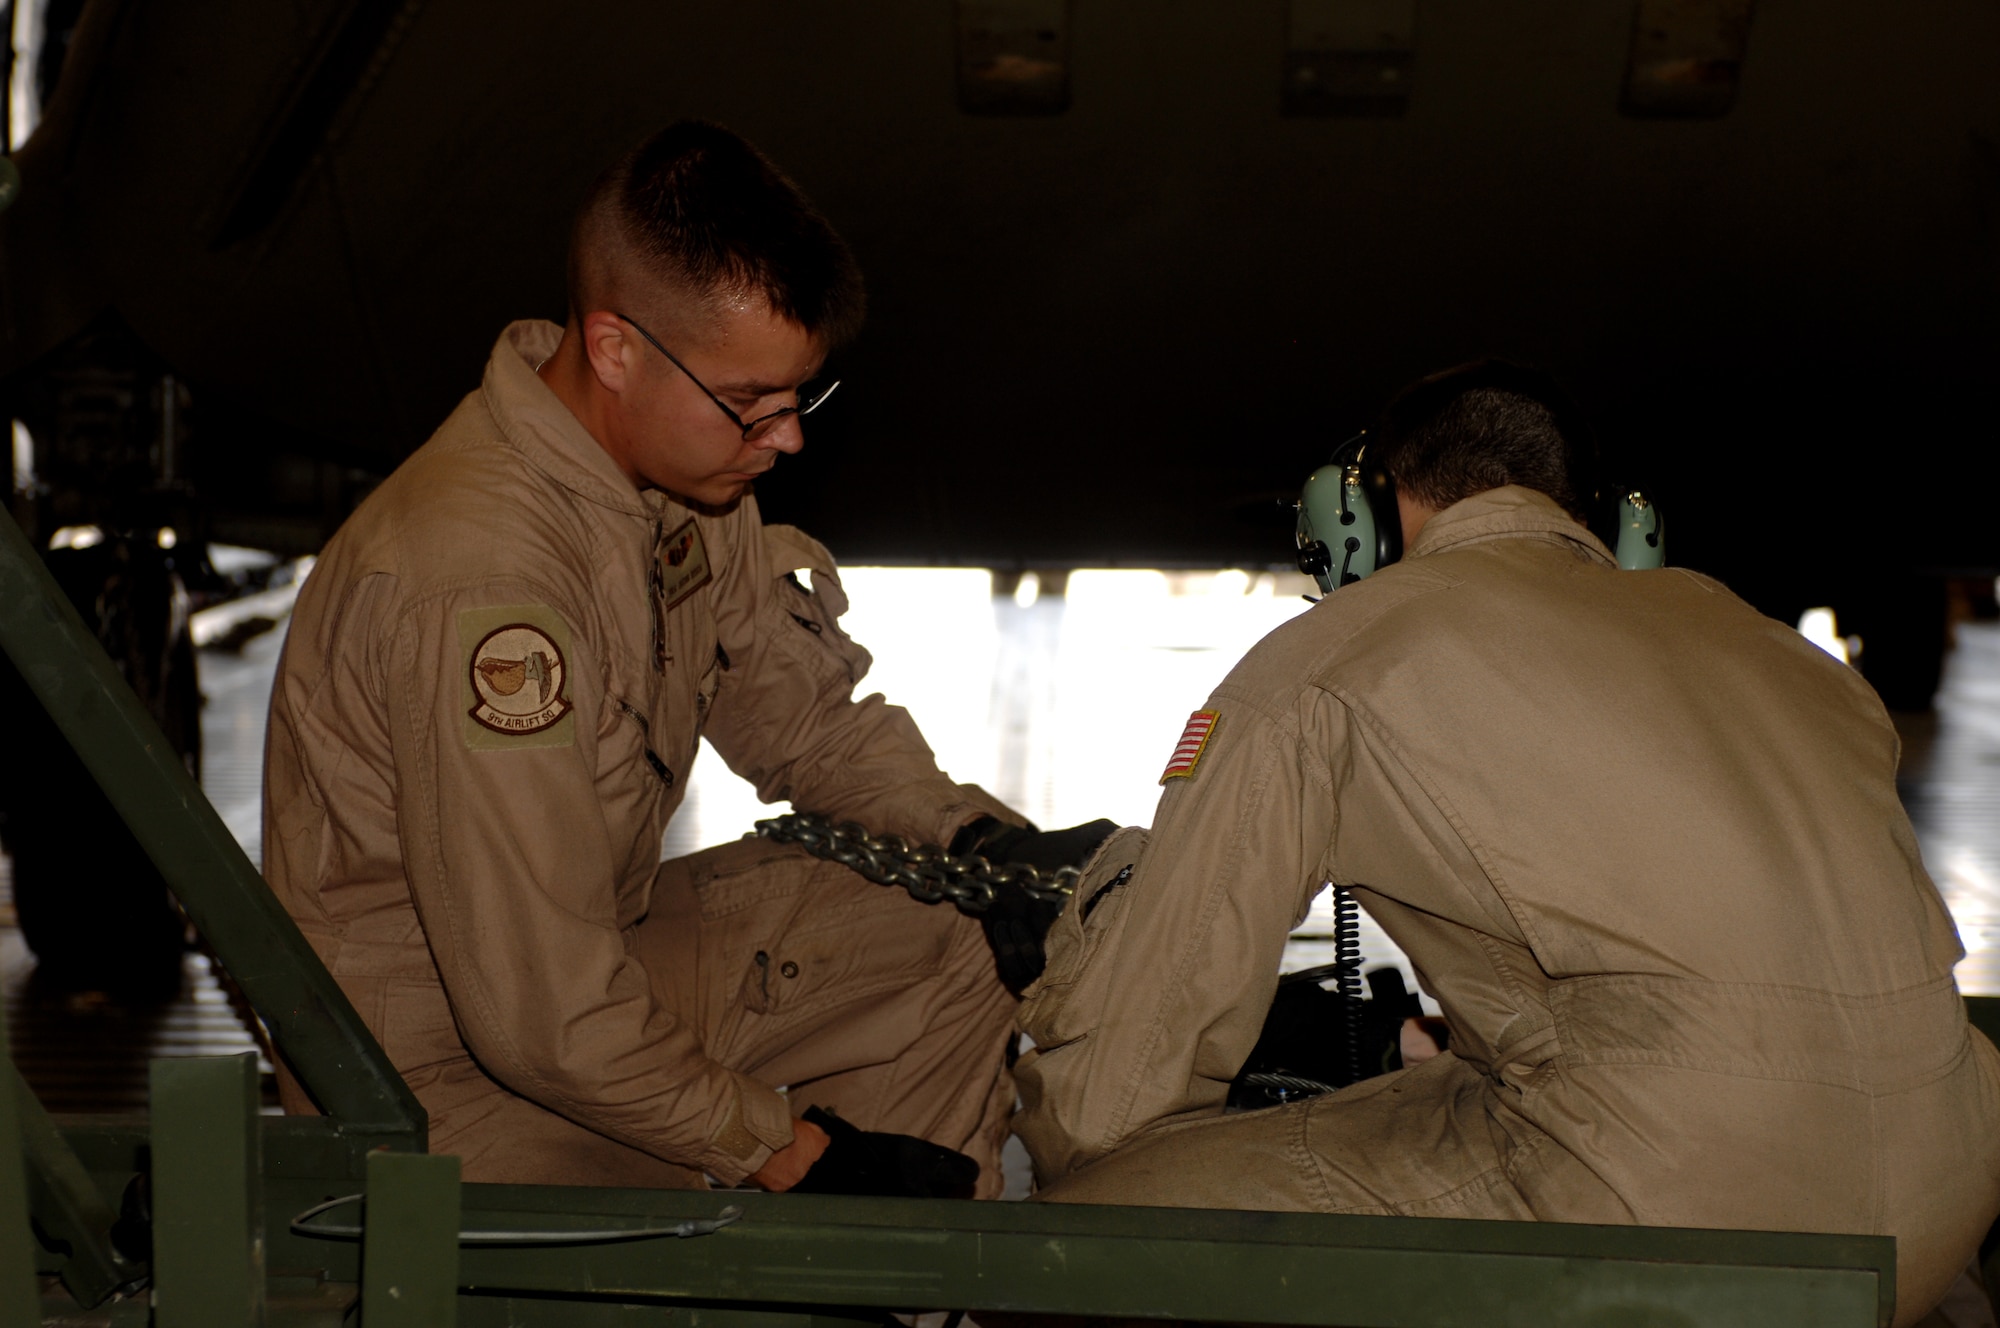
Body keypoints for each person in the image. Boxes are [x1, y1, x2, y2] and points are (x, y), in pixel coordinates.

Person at [1012, 361, 2000, 1324]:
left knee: (1063, 1248)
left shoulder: (1333, 658)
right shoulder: (1780, 651)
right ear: (1605, 517)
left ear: (1364, 510)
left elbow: (1118, 1083)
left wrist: (1078, 1143)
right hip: (1941, 1194)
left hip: (1681, 1197)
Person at [263, 121, 1103, 1195]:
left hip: (577, 974)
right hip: (432, 1080)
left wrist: (978, 836)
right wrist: (783, 1150)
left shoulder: (675, 482)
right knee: (717, 1177)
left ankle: (888, 1283)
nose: (787, 437)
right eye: (750, 404)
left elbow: (799, 721)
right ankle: (843, 1250)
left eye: (798, 397)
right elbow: (542, 1013)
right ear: (613, 349)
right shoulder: (484, 589)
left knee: (971, 919)